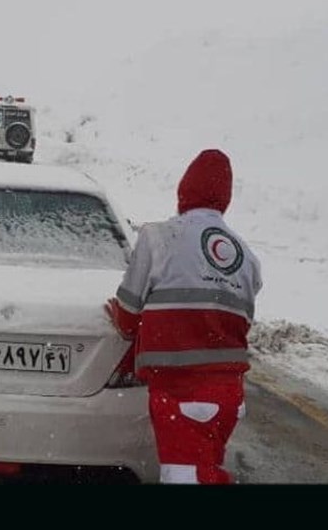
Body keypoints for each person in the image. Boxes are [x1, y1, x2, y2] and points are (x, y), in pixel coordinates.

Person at [105, 149, 262, 484]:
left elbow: (129, 317)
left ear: (183, 191)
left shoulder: (158, 237)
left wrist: (118, 314)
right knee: (206, 468)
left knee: (186, 476)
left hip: (181, 389)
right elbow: (239, 321)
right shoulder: (246, 256)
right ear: (225, 199)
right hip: (229, 394)